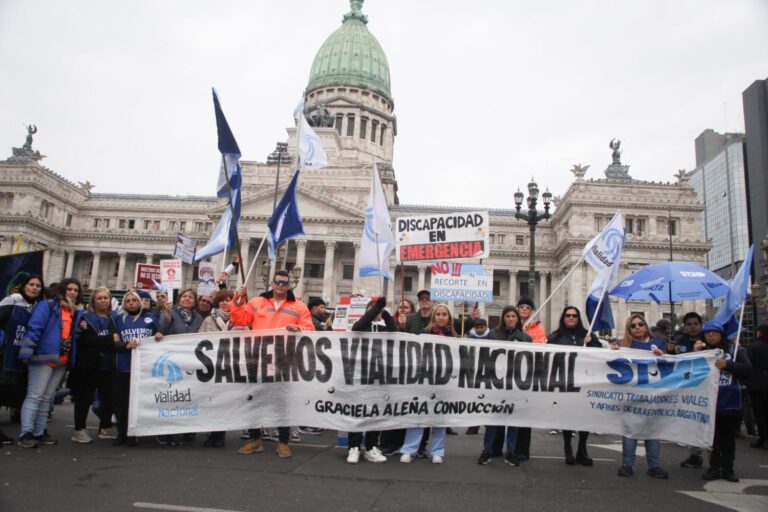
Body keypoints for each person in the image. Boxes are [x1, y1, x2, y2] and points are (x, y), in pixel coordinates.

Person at [231, 270, 314, 459]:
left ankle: (283, 442)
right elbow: (239, 319)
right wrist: (237, 299)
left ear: (289, 285)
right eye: (278, 282)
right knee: (255, 399)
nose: (281, 286)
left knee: (282, 402)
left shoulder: (299, 306)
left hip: (284, 360)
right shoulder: (256, 302)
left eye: (284, 283)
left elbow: (310, 328)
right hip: (258, 358)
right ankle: (254, 439)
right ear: (272, 283)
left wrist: (298, 328)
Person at [17, 278, 83, 448]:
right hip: (43, 356)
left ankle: (40, 431)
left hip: (61, 359)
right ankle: (26, 433)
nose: (73, 293)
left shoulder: (73, 312)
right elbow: (35, 327)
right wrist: (27, 351)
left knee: (47, 397)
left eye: (76, 290)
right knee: (35, 395)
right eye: (69, 289)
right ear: (62, 290)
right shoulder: (48, 306)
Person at [613, 314, 668, 478]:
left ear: (646, 326)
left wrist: (663, 356)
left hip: (654, 393)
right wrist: (613, 353)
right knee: (630, 430)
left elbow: (672, 364)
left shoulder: (658, 345)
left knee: (652, 430)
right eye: (633, 326)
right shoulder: (624, 345)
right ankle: (627, 464)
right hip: (632, 394)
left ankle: (654, 465)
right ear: (628, 330)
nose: (637, 327)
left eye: (640, 324)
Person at [694, 321, 751, 482]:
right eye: (707, 333)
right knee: (713, 438)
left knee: (728, 438)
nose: (710, 335)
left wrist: (728, 364)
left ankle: (728, 468)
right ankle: (714, 467)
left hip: (731, 402)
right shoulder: (702, 351)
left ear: (721, 334)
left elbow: (747, 369)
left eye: (714, 332)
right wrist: (695, 353)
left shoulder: (734, 350)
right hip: (710, 403)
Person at [400, 304, 456, 464]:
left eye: (444, 314)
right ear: (434, 317)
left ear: (449, 317)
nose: (441, 317)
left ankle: (438, 451)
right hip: (424, 380)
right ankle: (409, 449)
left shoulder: (454, 336)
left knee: (439, 417)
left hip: (444, 382)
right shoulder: (424, 334)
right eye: (438, 314)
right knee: (418, 414)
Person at [477, 306, 531, 466]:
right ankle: (487, 451)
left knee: (513, 420)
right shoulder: (493, 335)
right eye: (507, 316)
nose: (511, 319)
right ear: (503, 318)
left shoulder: (525, 338)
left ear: (517, 318)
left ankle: (511, 452)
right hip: (496, 384)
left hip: (515, 385)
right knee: (493, 419)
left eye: (513, 316)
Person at [547, 306, 600, 466]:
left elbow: (601, 356)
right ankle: (568, 448)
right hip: (566, 382)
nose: (571, 318)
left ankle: (582, 449)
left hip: (585, 382)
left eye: (574, 316)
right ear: (563, 318)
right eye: (568, 315)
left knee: (585, 417)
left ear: (578, 318)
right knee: (568, 417)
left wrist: (592, 344)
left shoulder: (588, 336)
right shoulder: (555, 337)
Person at [345, 296, 394, 464]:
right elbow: (358, 325)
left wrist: (385, 313)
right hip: (360, 376)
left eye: (377, 310)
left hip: (380, 377)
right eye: (372, 309)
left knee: (375, 413)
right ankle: (354, 447)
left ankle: (372, 447)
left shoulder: (384, 328)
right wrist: (374, 309)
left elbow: (395, 332)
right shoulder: (362, 326)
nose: (375, 312)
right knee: (358, 413)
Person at [0, 274, 45, 445]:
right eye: (31, 284)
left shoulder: (36, 306)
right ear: (23, 286)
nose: (34, 288)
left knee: (13, 391)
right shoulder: (13, 300)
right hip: (7, 352)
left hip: (23, 355)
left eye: (38, 286)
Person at [69, 287, 118, 443]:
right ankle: (79, 429)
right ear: (93, 301)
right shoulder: (85, 318)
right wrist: (111, 338)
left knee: (108, 398)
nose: (103, 301)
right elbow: (89, 340)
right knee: (84, 398)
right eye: (99, 298)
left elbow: (116, 340)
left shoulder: (114, 318)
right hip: (88, 365)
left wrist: (107, 340)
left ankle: (105, 427)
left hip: (107, 364)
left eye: (105, 298)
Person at [113, 291, 161, 446]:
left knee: (141, 403)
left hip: (144, 369)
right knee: (122, 404)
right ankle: (122, 433)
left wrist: (160, 335)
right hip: (124, 367)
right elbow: (113, 343)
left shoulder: (151, 318)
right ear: (124, 304)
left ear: (140, 303)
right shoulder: (117, 319)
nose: (131, 303)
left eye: (134, 300)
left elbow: (159, 336)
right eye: (128, 301)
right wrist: (124, 345)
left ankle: (136, 433)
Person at [199, 289, 245, 447]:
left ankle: (220, 435)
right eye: (222, 300)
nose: (225, 302)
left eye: (229, 299)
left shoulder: (240, 319)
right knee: (213, 401)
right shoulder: (208, 320)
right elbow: (199, 339)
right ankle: (213, 433)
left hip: (231, 365)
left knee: (225, 402)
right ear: (217, 302)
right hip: (212, 365)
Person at [672, 312, 707, 469]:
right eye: (689, 324)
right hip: (687, 386)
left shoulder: (709, 341)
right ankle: (695, 454)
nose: (693, 327)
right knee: (692, 421)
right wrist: (669, 350)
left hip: (706, 386)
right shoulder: (679, 341)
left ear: (701, 325)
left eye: (695, 323)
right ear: (684, 327)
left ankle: (717, 459)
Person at [748, 323, 768, 449]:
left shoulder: (754, 347)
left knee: (759, 412)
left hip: (758, 384)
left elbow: (749, 366)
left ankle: (763, 438)